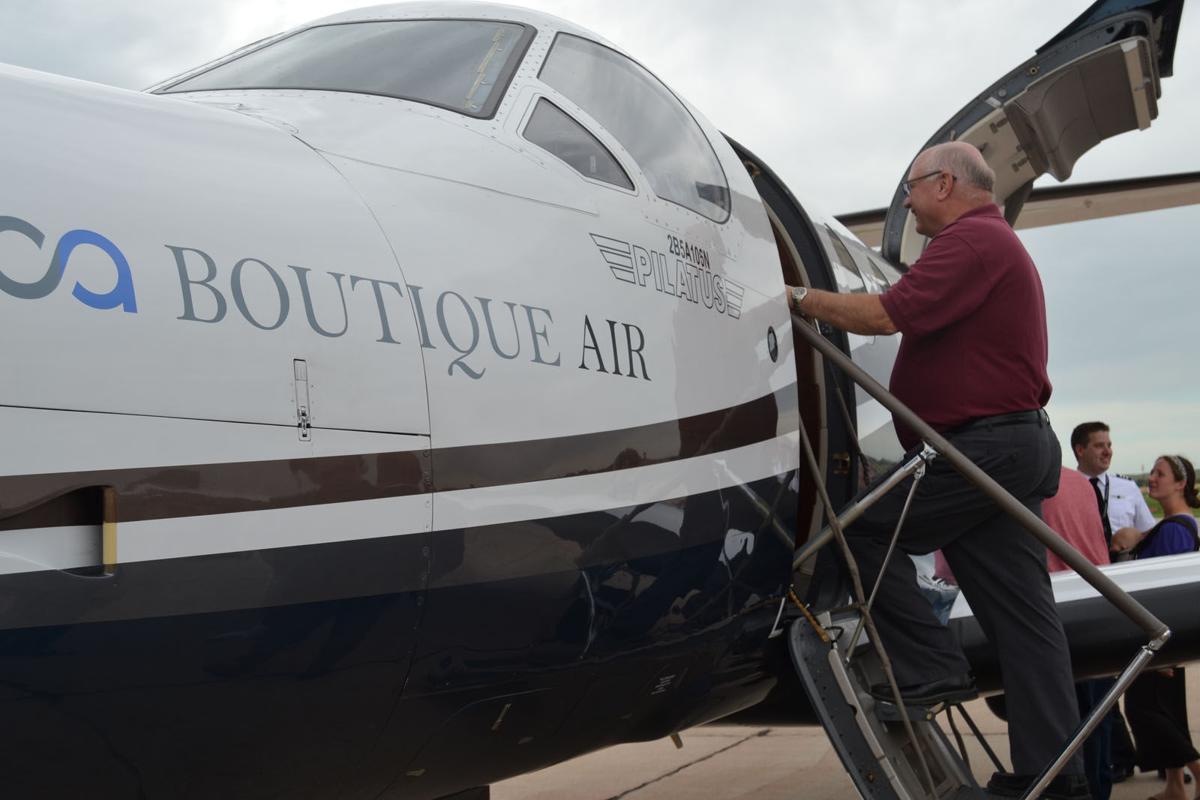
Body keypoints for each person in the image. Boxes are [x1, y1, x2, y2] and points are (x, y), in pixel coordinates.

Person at [787, 141, 1087, 799]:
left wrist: (796, 298)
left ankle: (929, 666)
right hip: (1004, 448)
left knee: (862, 532)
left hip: (985, 448)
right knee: (1024, 625)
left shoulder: (970, 242)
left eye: (911, 190)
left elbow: (883, 314)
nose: (908, 204)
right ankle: (1057, 782)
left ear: (944, 183)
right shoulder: (989, 244)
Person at [1122, 455, 1200, 800]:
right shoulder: (1174, 525)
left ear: (1181, 483)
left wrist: (1164, 654)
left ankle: (1198, 771)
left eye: (1159, 473)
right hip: (1169, 641)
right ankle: (1174, 786)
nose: (1151, 479)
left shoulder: (1173, 531)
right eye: (1151, 472)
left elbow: (1165, 595)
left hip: (1159, 642)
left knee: (1144, 710)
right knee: (1171, 712)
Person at [1043, 466, 1114, 800]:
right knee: (1097, 720)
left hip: (1052, 610)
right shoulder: (1083, 484)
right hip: (1098, 605)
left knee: (1055, 726)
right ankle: (1099, 790)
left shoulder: (1018, 478)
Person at [1071, 421, 1156, 559]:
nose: (1107, 452)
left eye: (1109, 445)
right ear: (1080, 450)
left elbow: (1147, 533)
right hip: (1081, 566)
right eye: (1099, 446)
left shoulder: (1128, 487)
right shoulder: (1064, 489)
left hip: (1123, 566)